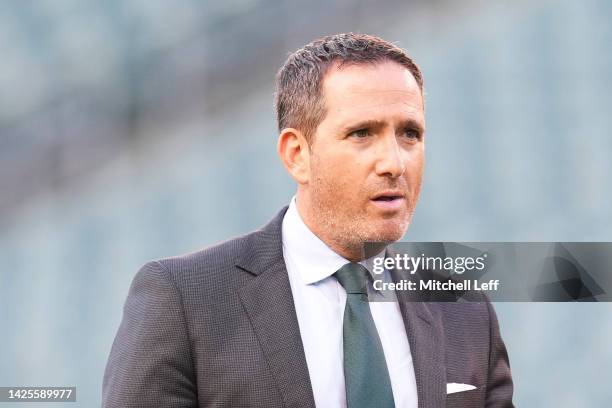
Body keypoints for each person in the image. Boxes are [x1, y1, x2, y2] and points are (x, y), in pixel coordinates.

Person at [102, 33, 513, 408]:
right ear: (296, 154)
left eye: (409, 133)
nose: (394, 162)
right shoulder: (184, 300)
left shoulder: (462, 307)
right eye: (362, 133)